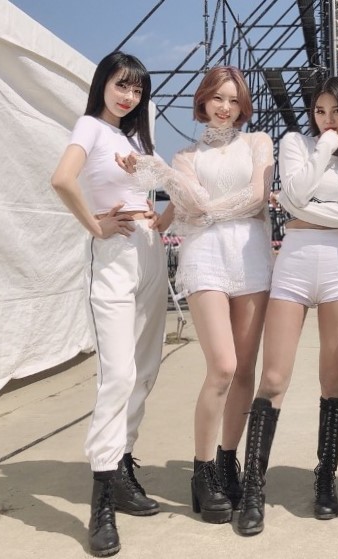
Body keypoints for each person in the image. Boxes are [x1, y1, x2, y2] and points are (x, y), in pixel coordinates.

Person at [120, 66, 274, 525]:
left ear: (242, 105)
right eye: (217, 98)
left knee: (245, 369)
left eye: (233, 99)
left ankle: (228, 462)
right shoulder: (185, 156)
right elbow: (186, 203)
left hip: (251, 257)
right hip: (205, 256)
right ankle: (203, 471)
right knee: (222, 366)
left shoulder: (258, 142)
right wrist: (182, 204)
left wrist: (203, 209)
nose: (225, 107)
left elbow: (256, 197)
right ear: (203, 100)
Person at [235, 77, 338, 536]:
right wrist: (323, 148)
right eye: (320, 111)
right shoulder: (296, 143)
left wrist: (299, 207)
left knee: (333, 377)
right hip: (295, 264)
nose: (327, 119)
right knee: (273, 378)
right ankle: (253, 488)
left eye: (336, 112)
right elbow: (295, 191)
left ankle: (325, 481)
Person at [51, 51, 167, 557]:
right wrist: (95, 225)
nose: (129, 96)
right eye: (122, 85)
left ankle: (121, 467)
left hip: (150, 248)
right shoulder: (91, 127)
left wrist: (161, 216)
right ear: (103, 83)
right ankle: (101, 495)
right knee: (117, 374)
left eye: (137, 90)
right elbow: (62, 178)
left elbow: (154, 191)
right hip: (115, 251)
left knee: (145, 368)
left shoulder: (136, 139)